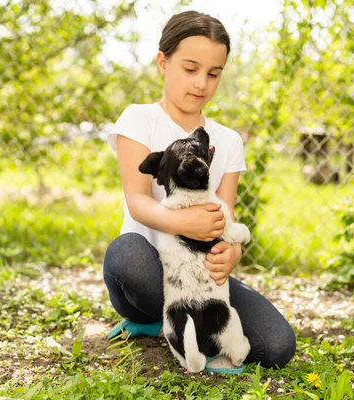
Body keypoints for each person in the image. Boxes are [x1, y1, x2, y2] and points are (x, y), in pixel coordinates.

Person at [103, 10, 296, 372]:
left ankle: (190, 330)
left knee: (277, 346)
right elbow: (139, 201)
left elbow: (227, 213)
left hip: (202, 280)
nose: (202, 84)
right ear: (163, 62)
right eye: (190, 69)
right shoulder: (138, 118)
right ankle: (152, 318)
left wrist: (233, 251)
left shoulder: (227, 140)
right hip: (148, 270)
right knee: (126, 254)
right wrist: (185, 222)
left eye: (213, 74)